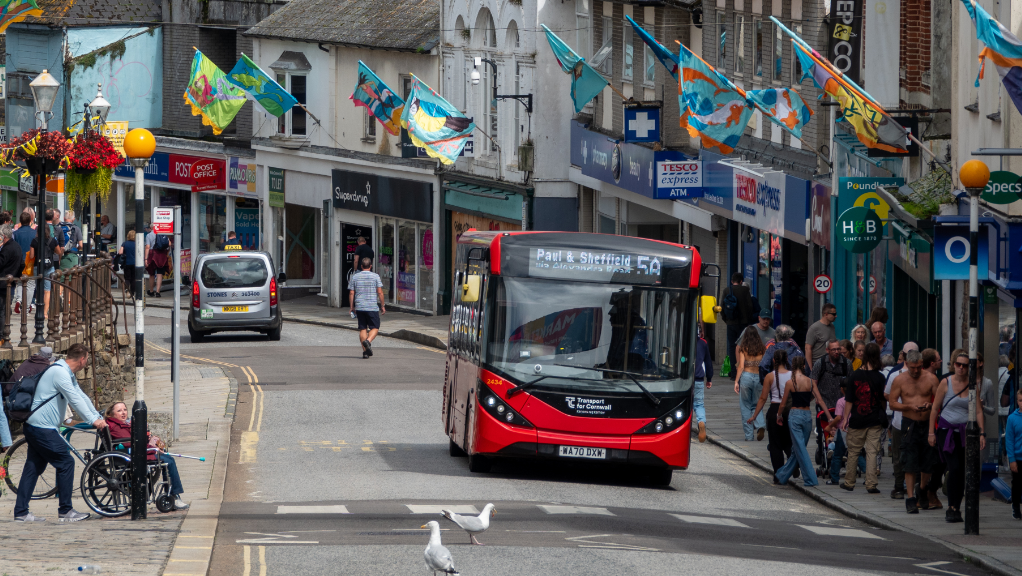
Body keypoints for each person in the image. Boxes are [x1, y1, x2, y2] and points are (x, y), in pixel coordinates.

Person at [14, 343, 107, 522]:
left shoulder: (65, 372)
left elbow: (81, 395)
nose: (86, 363)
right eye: (86, 360)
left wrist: (96, 415)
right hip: (42, 427)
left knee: (33, 467)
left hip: (39, 426)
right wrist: (92, 421)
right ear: (82, 359)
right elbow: (74, 399)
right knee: (66, 462)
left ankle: (21, 512)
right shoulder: (59, 372)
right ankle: (65, 511)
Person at [929, 352, 987, 523]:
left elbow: (978, 411)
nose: (961, 368)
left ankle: (956, 507)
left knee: (963, 471)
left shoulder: (972, 385)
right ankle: (950, 507)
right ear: (953, 365)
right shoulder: (945, 383)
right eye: (958, 364)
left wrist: (982, 433)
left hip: (965, 433)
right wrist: (931, 433)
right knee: (953, 468)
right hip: (947, 432)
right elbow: (934, 409)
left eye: (965, 365)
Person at [104, 402, 189, 511]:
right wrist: (150, 447)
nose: (123, 413)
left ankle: (172, 494)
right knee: (169, 461)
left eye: (125, 409)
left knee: (166, 456)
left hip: (133, 452)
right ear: (111, 414)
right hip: (131, 454)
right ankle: (174, 495)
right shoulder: (115, 426)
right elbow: (129, 442)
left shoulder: (122, 424)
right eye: (119, 411)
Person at [889, 349, 939, 512]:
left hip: (926, 424)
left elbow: (939, 401)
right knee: (909, 462)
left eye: (918, 367)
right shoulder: (899, 379)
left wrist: (930, 405)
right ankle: (910, 497)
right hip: (909, 424)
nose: (916, 371)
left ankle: (922, 489)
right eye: (912, 367)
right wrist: (909, 406)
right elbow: (892, 403)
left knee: (928, 462)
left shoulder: (931, 378)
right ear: (907, 364)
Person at [775, 356, 834, 487]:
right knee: (799, 448)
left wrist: (778, 415)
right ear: (803, 366)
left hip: (795, 415)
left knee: (800, 449)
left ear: (792, 366)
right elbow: (820, 400)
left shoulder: (790, 383)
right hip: (807, 416)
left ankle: (811, 479)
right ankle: (782, 475)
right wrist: (830, 417)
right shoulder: (810, 382)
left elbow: (783, 403)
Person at [840, 342, 887, 494]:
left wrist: (845, 418)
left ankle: (849, 482)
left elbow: (849, 400)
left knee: (853, 452)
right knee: (872, 452)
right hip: (874, 419)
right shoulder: (880, 377)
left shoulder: (855, 375)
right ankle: (871, 484)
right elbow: (882, 400)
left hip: (857, 419)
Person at [883, 342, 920, 500]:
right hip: (900, 421)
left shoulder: (924, 375)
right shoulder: (895, 375)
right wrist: (901, 403)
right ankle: (899, 486)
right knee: (899, 455)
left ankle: (917, 486)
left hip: (918, 421)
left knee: (916, 454)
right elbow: (887, 395)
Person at [749, 349, 793, 478]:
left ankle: (778, 475)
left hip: (774, 410)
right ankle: (792, 466)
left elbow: (762, 398)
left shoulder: (770, 376)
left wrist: (754, 416)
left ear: (773, 360)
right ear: (786, 360)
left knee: (775, 445)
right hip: (790, 410)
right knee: (789, 443)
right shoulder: (793, 375)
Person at [825, 380, 867, 485]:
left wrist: (830, 426)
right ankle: (868, 475)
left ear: (842, 389)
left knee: (838, 455)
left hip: (843, 430)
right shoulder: (858, 400)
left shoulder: (841, 401)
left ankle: (834, 478)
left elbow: (839, 417)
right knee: (857, 453)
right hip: (856, 428)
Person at [349, 256, 385, 359]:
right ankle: (367, 342)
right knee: (375, 327)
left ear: (361, 266)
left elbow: (351, 293)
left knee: (363, 328)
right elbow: (380, 292)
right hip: (372, 307)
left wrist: (352, 307)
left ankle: (365, 352)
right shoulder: (375, 276)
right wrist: (382, 305)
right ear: (370, 266)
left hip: (360, 306)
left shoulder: (355, 277)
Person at [722, 273, 757, 378]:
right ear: (741, 281)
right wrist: (748, 320)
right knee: (744, 347)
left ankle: (733, 373)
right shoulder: (745, 290)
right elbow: (750, 307)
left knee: (732, 347)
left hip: (731, 323)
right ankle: (743, 371)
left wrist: (727, 320)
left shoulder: (726, 290)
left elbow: (721, 308)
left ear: (732, 281)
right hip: (743, 324)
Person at [734, 328, 766, 441]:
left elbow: (741, 366)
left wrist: (736, 381)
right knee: (757, 404)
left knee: (745, 406)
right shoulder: (762, 348)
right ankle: (761, 425)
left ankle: (749, 436)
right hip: (758, 377)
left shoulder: (744, 348)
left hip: (746, 376)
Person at [29, 216, 62, 319]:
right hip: (49, 267)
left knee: (39, 289)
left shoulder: (34, 241)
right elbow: (58, 252)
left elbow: (31, 256)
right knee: (47, 291)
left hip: (37, 267)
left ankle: (38, 311)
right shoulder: (52, 241)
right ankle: (45, 313)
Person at [0, 223, 24, 328]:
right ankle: (6, 335)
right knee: (6, 309)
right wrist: (17, 276)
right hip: (11, 282)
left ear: (3, 236)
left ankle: (2, 335)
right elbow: (22, 264)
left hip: (2, 284)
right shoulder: (17, 246)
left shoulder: (7, 249)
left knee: (2, 310)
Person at [13, 211, 36, 315]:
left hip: (18, 260)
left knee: (19, 282)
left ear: (20, 221)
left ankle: (18, 300)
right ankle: (26, 308)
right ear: (30, 221)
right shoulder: (34, 233)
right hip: (30, 261)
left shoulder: (15, 233)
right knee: (30, 284)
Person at [693, 326, 713, 442]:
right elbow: (708, 362)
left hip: (685, 379)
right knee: (699, 404)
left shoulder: (683, 342)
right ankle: (701, 422)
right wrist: (709, 378)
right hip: (699, 378)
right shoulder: (703, 343)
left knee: (687, 405)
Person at [1005, 389, 1022, 520]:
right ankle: (1016, 508)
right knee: (1016, 484)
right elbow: (1009, 440)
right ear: (1017, 401)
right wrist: (1012, 459)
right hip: (1017, 457)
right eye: (1021, 400)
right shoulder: (1012, 418)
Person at [145, 224, 171, 297]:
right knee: (159, 274)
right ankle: (158, 292)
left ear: (151, 227)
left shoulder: (149, 235)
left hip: (152, 254)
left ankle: (151, 291)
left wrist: (145, 258)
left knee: (151, 274)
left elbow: (147, 247)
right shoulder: (163, 234)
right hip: (162, 254)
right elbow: (169, 243)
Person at [118, 230, 138, 300]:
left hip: (127, 263)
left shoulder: (125, 243)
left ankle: (126, 290)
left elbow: (120, 252)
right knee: (133, 279)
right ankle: (132, 293)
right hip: (135, 264)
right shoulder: (137, 244)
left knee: (127, 278)